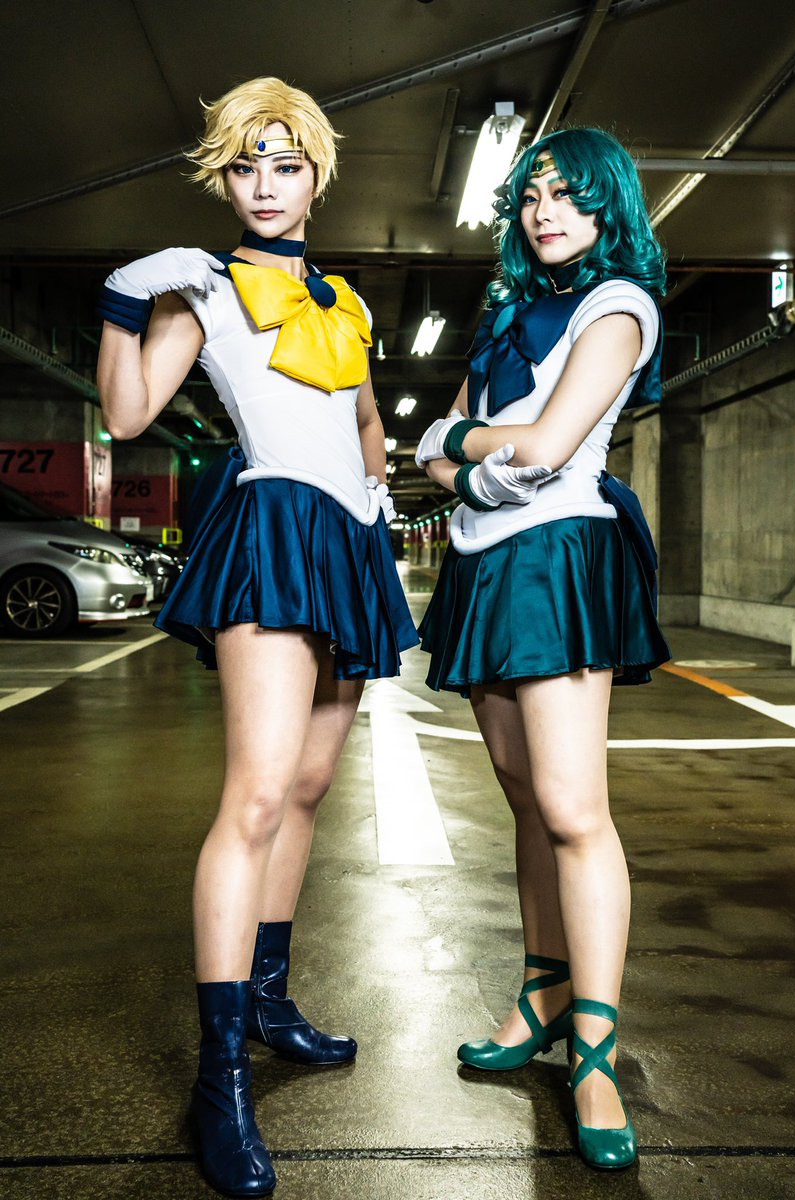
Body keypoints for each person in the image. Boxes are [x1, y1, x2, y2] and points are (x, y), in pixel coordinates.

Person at [97, 76, 417, 1197]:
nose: (266, 185)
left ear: (316, 176)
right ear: (224, 179)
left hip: (347, 539)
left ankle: (272, 1002)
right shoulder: (204, 286)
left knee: (311, 786)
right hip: (273, 528)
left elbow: (363, 413)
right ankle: (218, 1077)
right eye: (246, 166)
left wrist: (376, 493)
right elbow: (126, 414)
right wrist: (122, 302)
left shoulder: (347, 300)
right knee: (257, 793)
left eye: (285, 165)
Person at [415, 127, 670, 1170]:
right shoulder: (507, 312)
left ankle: (596, 1055)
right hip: (484, 560)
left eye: (568, 194)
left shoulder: (618, 305)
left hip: (559, 555)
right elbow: (432, 448)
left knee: (571, 809)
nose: (544, 211)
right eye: (531, 196)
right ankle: (542, 996)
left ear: (608, 206)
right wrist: (472, 457)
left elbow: (550, 444)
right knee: (525, 801)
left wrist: (463, 451)